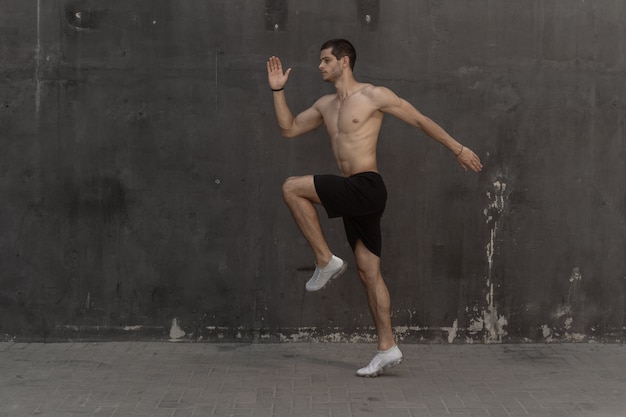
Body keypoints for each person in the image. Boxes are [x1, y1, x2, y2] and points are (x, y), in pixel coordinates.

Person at [266, 39, 483, 377]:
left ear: (345, 61)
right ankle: (387, 347)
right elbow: (289, 128)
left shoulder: (372, 96)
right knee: (369, 273)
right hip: (352, 191)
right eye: (320, 61)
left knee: (292, 187)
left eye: (326, 60)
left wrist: (458, 148)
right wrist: (278, 91)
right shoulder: (325, 105)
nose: (320, 66)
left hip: (366, 186)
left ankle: (325, 260)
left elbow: (420, 120)